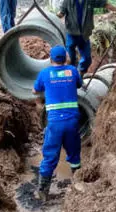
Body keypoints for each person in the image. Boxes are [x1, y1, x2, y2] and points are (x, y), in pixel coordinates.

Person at [32, 46, 83, 200]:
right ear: (65, 58)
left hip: (54, 123)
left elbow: (35, 90)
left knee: (49, 156)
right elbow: (79, 85)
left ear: (50, 59)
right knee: (74, 153)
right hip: (72, 120)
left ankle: (42, 192)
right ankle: (78, 183)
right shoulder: (73, 71)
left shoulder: (44, 73)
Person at [57, 0, 116, 75]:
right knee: (70, 58)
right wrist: (52, 17)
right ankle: (69, 77)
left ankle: (81, 74)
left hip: (84, 35)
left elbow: (105, 4)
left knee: (87, 59)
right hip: (71, 34)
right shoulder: (68, 1)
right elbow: (61, 13)